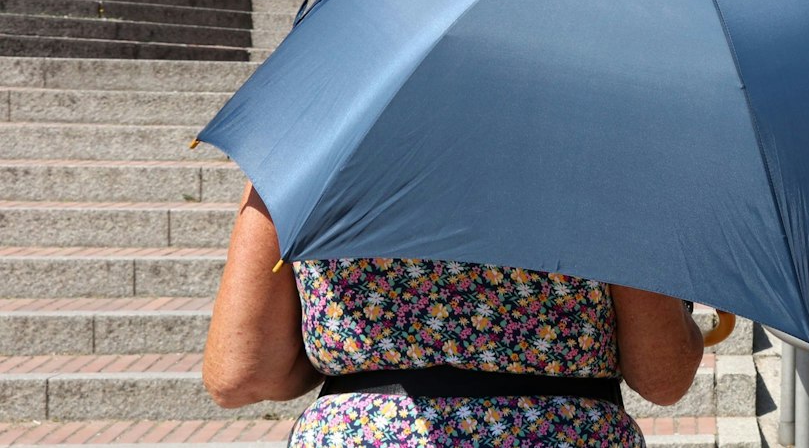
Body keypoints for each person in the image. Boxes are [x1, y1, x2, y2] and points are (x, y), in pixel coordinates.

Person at [203, 182, 705, 444]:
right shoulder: (605, 155)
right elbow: (663, 377)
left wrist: (361, 356)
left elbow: (241, 374)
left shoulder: (308, 150)